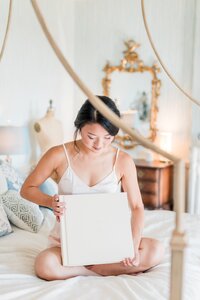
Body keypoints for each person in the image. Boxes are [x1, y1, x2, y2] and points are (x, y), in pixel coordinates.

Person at [21, 96, 164, 280]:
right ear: (79, 127)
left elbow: (137, 207)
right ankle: (93, 271)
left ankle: (91, 269)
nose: (99, 145)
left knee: (156, 250)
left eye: (108, 138)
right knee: (44, 264)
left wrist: (133, 247)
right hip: (68, 244)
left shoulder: (123, 161)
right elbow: (27, 188)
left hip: (109, 240)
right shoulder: (58, 155)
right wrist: (49, 201)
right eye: (91, 137)